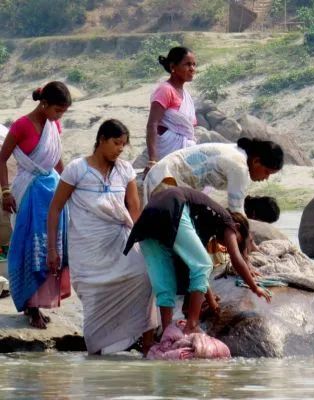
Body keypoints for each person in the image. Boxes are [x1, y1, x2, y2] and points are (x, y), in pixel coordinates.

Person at [47, 119, 157, 355]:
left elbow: (133, 210)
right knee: (95, 299)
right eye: (116, 143)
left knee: (146, 276)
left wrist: (144, 243)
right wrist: (52, 249)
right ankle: (97, 351)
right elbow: (55, 208)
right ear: (101, 140)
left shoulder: (125, 170)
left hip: (120, 242)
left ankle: (146, 342)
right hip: (88, 250)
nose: (120, 149)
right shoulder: (77, 169)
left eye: (123, 145)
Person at [123, 186, 272, 335]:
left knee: (165, 282)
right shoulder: (228, 222)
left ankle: (167, 332)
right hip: (174, 204)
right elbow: (235, 258)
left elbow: (192, 267)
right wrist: (254, 287)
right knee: (204, 264)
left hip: (147, 217)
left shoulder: (204, 225)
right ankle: (192, 324)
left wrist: (212, 302)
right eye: (235, 240)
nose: (227, 245)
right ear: (236, 227)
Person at [0, 82, 71, 329]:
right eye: (57, 110)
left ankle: (40, 303)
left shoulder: (54, 126)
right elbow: (2, 157)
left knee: (52, 245)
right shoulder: (21, 125)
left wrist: (68, 183)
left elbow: (56, 157)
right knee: (31, 244)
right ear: (44, 104)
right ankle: (30, 307)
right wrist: (5, 191)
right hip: (28, 191)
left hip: (51, 191)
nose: (59, 115)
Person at [143, 138, 284, 214]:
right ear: (256, 161)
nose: (266, 178)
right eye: (267, 172)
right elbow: (237, 209)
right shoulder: (239, 165)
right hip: (168, 178)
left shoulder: (237, 153)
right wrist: (249, 242)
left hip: (165, 175)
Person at [134, 46, 198, 170]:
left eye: (194, 65)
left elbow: (189, 128)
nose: (192, 69)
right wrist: (152, 159)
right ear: (173, 67)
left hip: (183, 151)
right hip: (164, 150)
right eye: (187, 64)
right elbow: (152, 124)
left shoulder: (186, 96)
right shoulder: (165, 90)